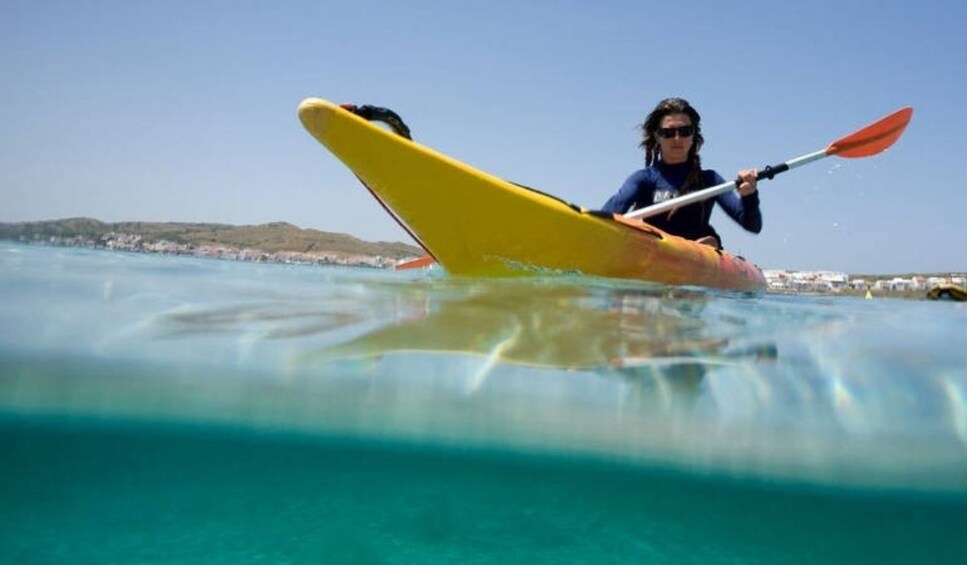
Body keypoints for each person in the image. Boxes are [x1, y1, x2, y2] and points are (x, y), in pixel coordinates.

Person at [601, 97, 762, 249]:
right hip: (656, 249)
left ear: (693, 136)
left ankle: (705, 247)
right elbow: (605, 217)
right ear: (657, 136)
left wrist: (749, 196)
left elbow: (752, 226)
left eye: (685, 131)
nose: (677, 138)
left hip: (701, 252)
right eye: (669, 133)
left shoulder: (709, 180)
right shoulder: (644, 179)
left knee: (707, 241)